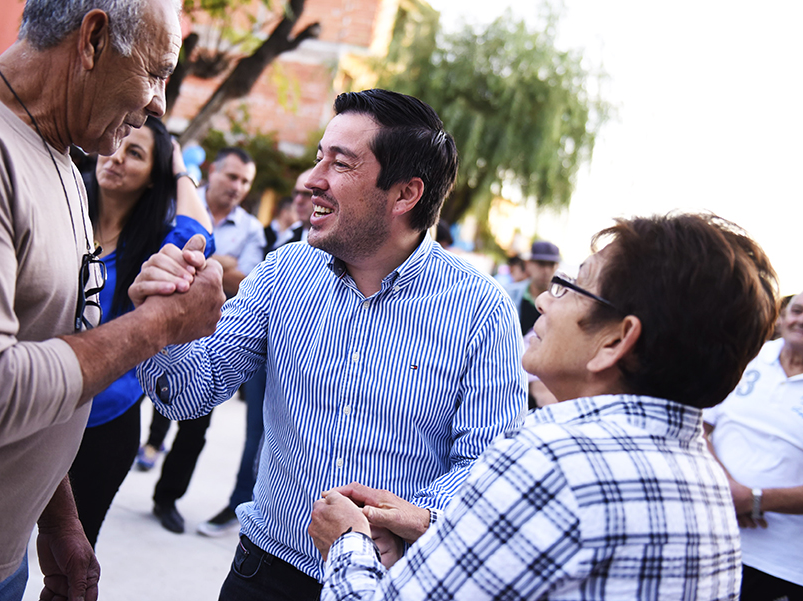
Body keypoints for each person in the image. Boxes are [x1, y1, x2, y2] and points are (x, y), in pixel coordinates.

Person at [131, 89, 525, 600]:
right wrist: (164, 324)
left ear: (405, 194)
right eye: (319, 157)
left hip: (390, 581)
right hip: (264, 571)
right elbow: (187, 393)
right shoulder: (284, 271)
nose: (311, 180)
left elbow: (486, 464)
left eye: (340, 164)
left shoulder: (481, 309)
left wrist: (412, 518)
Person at [0, 0, 226, 598]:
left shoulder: (60, 158)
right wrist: (157, 326)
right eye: (156, 72)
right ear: (93, 39)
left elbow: (37, 349)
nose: (160, 103)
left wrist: (58, 518)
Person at [310, 212, 778, 600]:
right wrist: (433, 527)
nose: (543, 301)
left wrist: (347, 543)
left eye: (571, 287)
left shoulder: (551, 459)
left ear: (616, 340)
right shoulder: (707, 483)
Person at [67, 116, 215, 548]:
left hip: (105, 420)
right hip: (39, 400)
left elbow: (200, 238)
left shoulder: (154, 246)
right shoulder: (64, 213)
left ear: (154, 175)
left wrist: (180, 170)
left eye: (135, 153)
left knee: (75, 549)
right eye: (117, 144)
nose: (117, 158)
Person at [143, 146, 265, 534]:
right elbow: (160, 254)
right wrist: (222, 264)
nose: (238, 187)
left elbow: (245, 281)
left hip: (213, 337)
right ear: (213, 172)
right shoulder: (177, 206)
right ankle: (148, 447)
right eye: (232, 176)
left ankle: (167, 498)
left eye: (245, 181)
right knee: (143, 402)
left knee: (195, 425)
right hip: (153, 325)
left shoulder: (252, 229)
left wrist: (205, 264)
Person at [199, 167, 316, 539]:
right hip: (266, 349)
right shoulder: (285, 242)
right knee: (256, 431)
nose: (303, 199)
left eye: (307, 193)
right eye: (297, 193)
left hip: (305, 357)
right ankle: (241, 502)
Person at [705, 291, 803, 599]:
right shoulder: (747, 354)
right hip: (708, 535)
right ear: (782, 316)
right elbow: (698, 425)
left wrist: (754, 499)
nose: (801, 321)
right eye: (798, 311)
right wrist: (728, 489)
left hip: (781, 565)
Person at [503, 240, 561, 336]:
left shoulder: (560, 303)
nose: (546, 271)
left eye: (551, 265)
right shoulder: (508, 294)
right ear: (528, 264)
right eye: (541, 264)